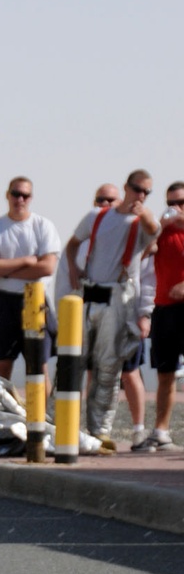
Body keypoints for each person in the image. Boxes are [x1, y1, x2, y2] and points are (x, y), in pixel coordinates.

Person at [64, 170, 159, 449]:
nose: (140, 196)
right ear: (126, 187)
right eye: (137, 189)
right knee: (73, 361)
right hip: (89, 293)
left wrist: (145, 213)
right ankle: (61, 425)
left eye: (146, 192)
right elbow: (72, 244)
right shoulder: (98, 217)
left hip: (118, 297)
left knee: (108, 367)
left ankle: (98, 430)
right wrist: (74, 270)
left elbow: (155, 231)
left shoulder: (139, 223)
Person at [0, 176, 61, 385]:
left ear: (31, 198)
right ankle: (0, 412)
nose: (20, 199)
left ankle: (41, 415)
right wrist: (26, 261)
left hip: (35, 299)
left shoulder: (43, 226)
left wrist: (5, 269)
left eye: (25, 195)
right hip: (4, 300)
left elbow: (46, 267)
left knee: (38, 364)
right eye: (16, 194)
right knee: (2, 363)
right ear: (7, 195)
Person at [133, 182, 184, 452]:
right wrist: (157, 228)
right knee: (166, 373)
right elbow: (140, 255)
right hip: (165, 310)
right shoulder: (164, 233)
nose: (176, 208)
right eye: (172, 202)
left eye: (182, 203)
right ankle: (161, 431)